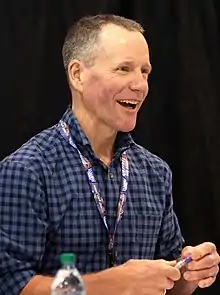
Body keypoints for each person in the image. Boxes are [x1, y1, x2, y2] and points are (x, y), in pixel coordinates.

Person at [0, 14, 219, 295]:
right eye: (124, 68)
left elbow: (170, 283)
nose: (140, 84)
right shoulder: (27, 170)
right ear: (77, 74)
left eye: (144, 71)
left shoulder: (155, 172)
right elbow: (12, 286)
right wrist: (109, 284)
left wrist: (188, 272)